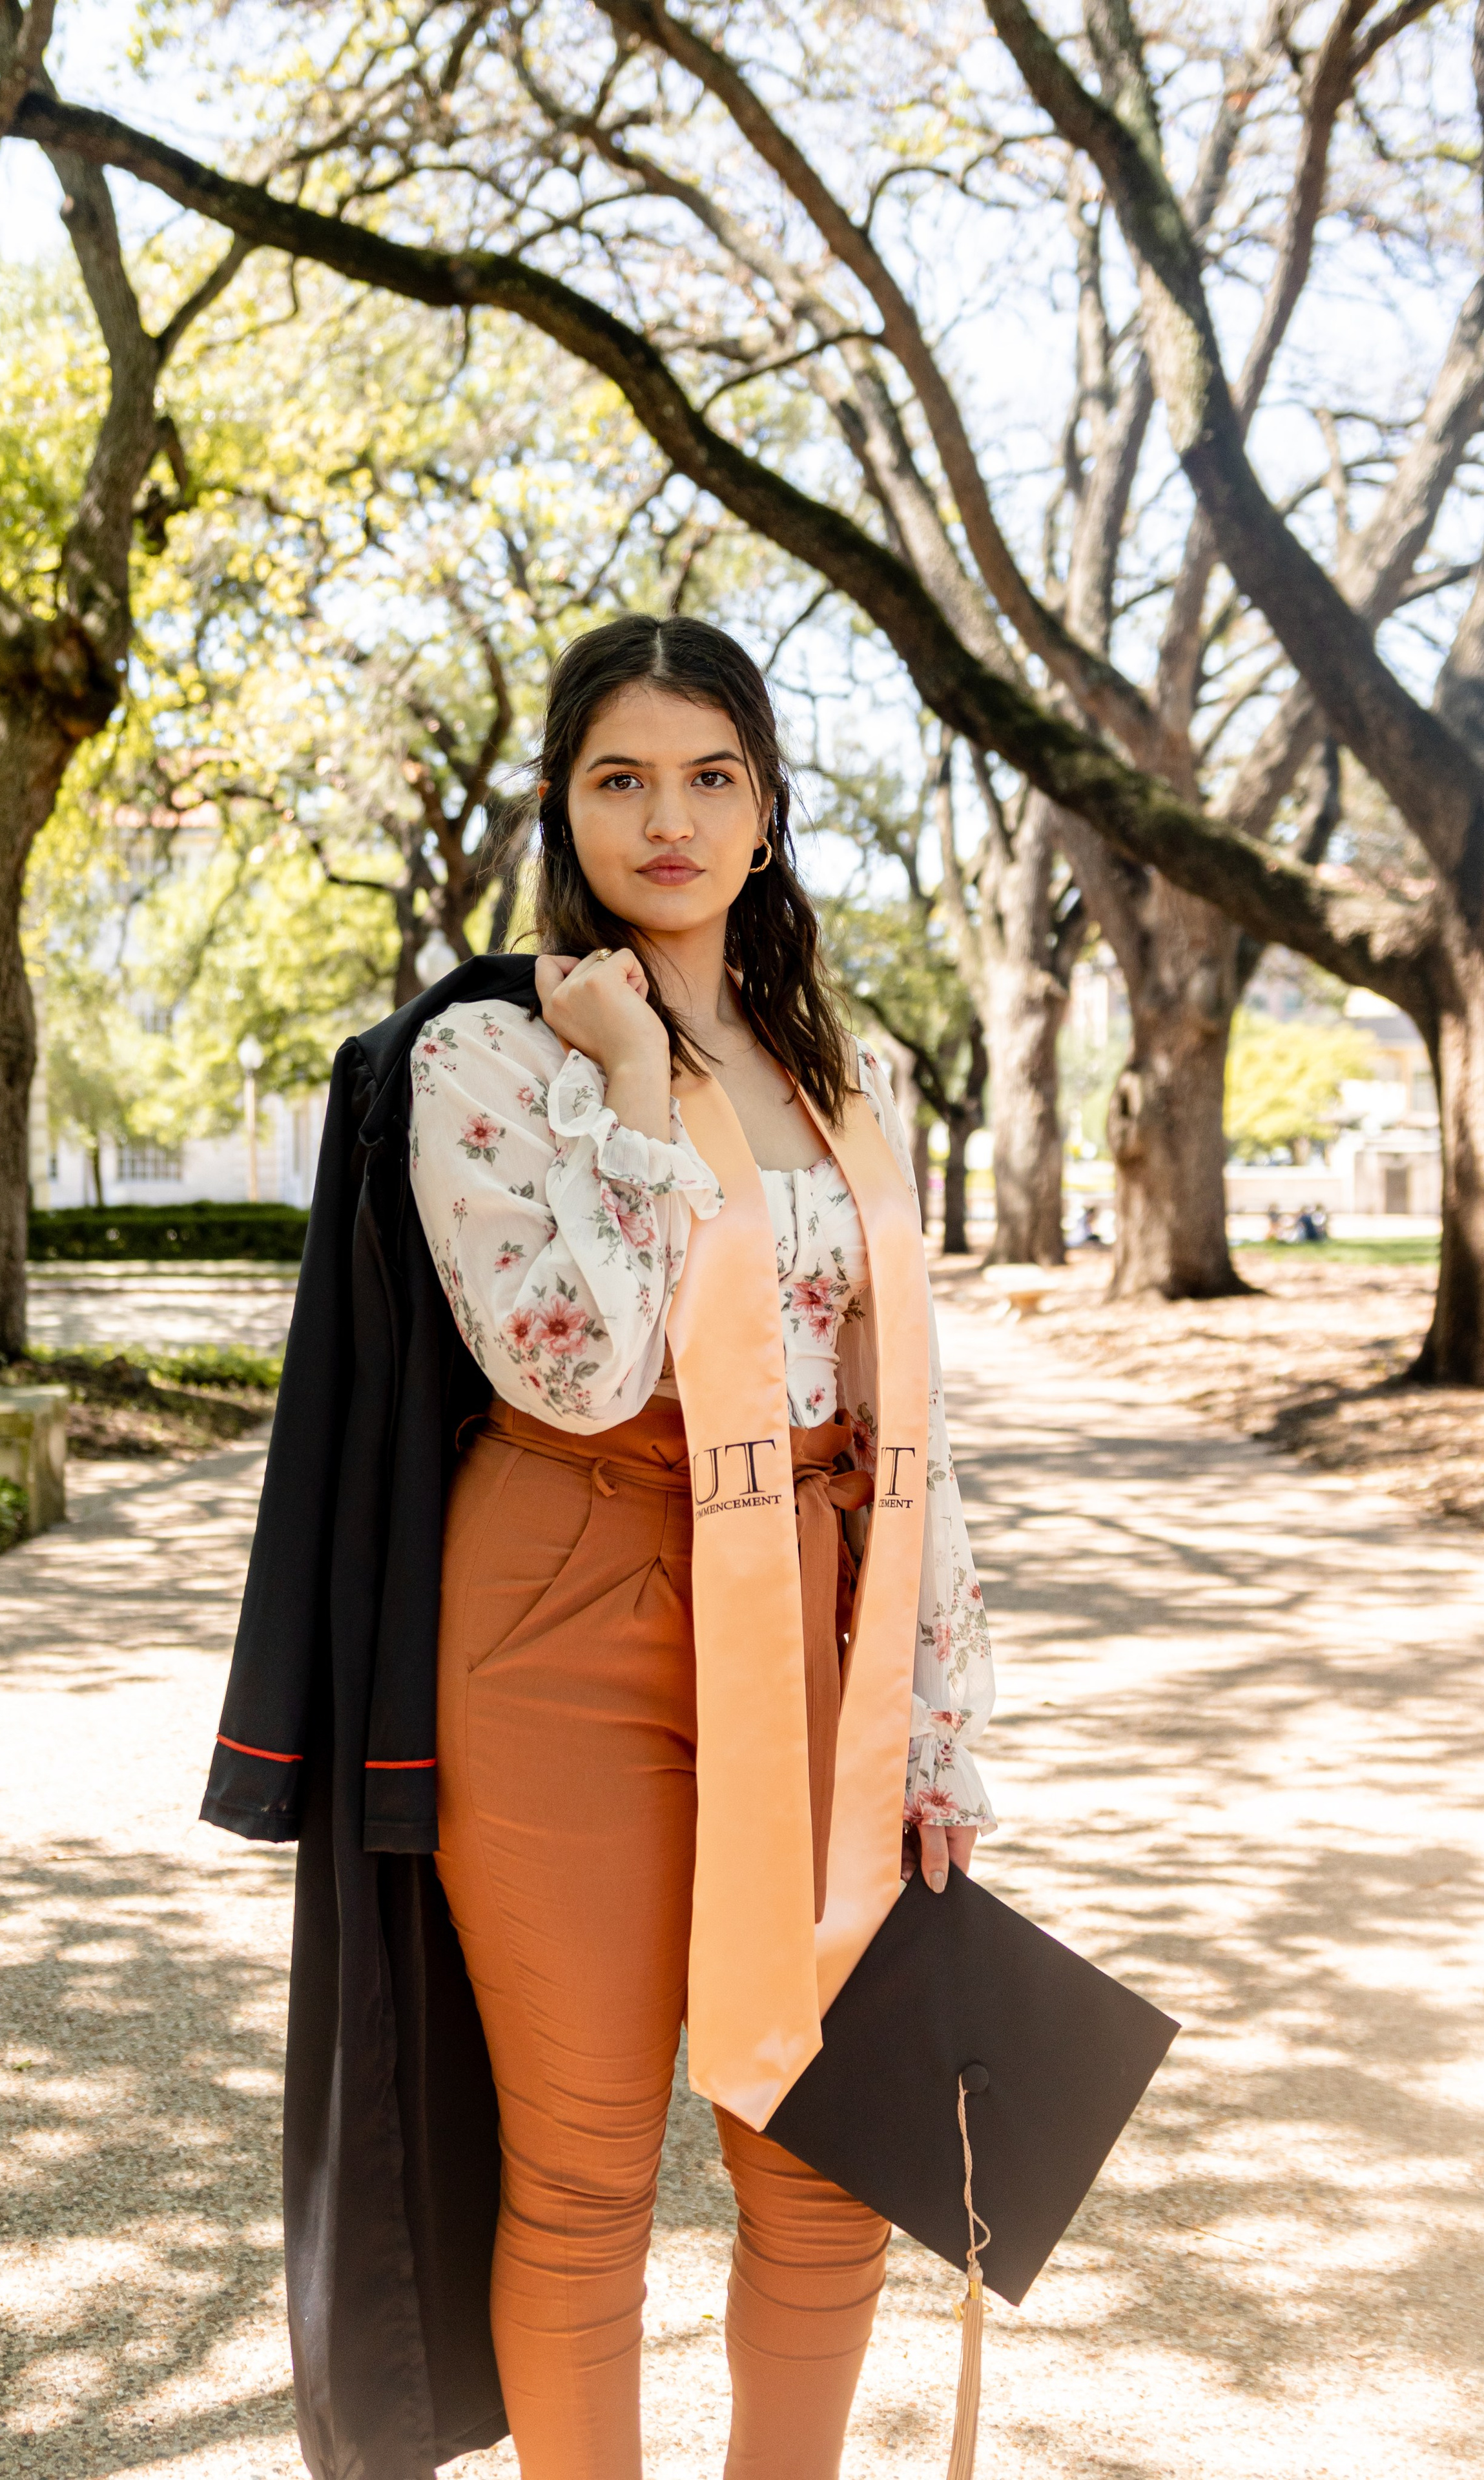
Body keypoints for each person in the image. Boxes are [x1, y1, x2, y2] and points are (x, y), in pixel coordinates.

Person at [404, 614, 996, 2477]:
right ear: (565, 807)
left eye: (711, 774)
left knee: (829, 2184)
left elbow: (911, 1418)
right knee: (581, 2182)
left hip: (819, 1615)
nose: (668, 816)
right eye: (621, 777)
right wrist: (643, 1097)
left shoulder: (844, 1075)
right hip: (566, 1609)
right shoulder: (490, 1059)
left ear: (768, 808)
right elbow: (570, 1372)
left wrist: (941, 1718)